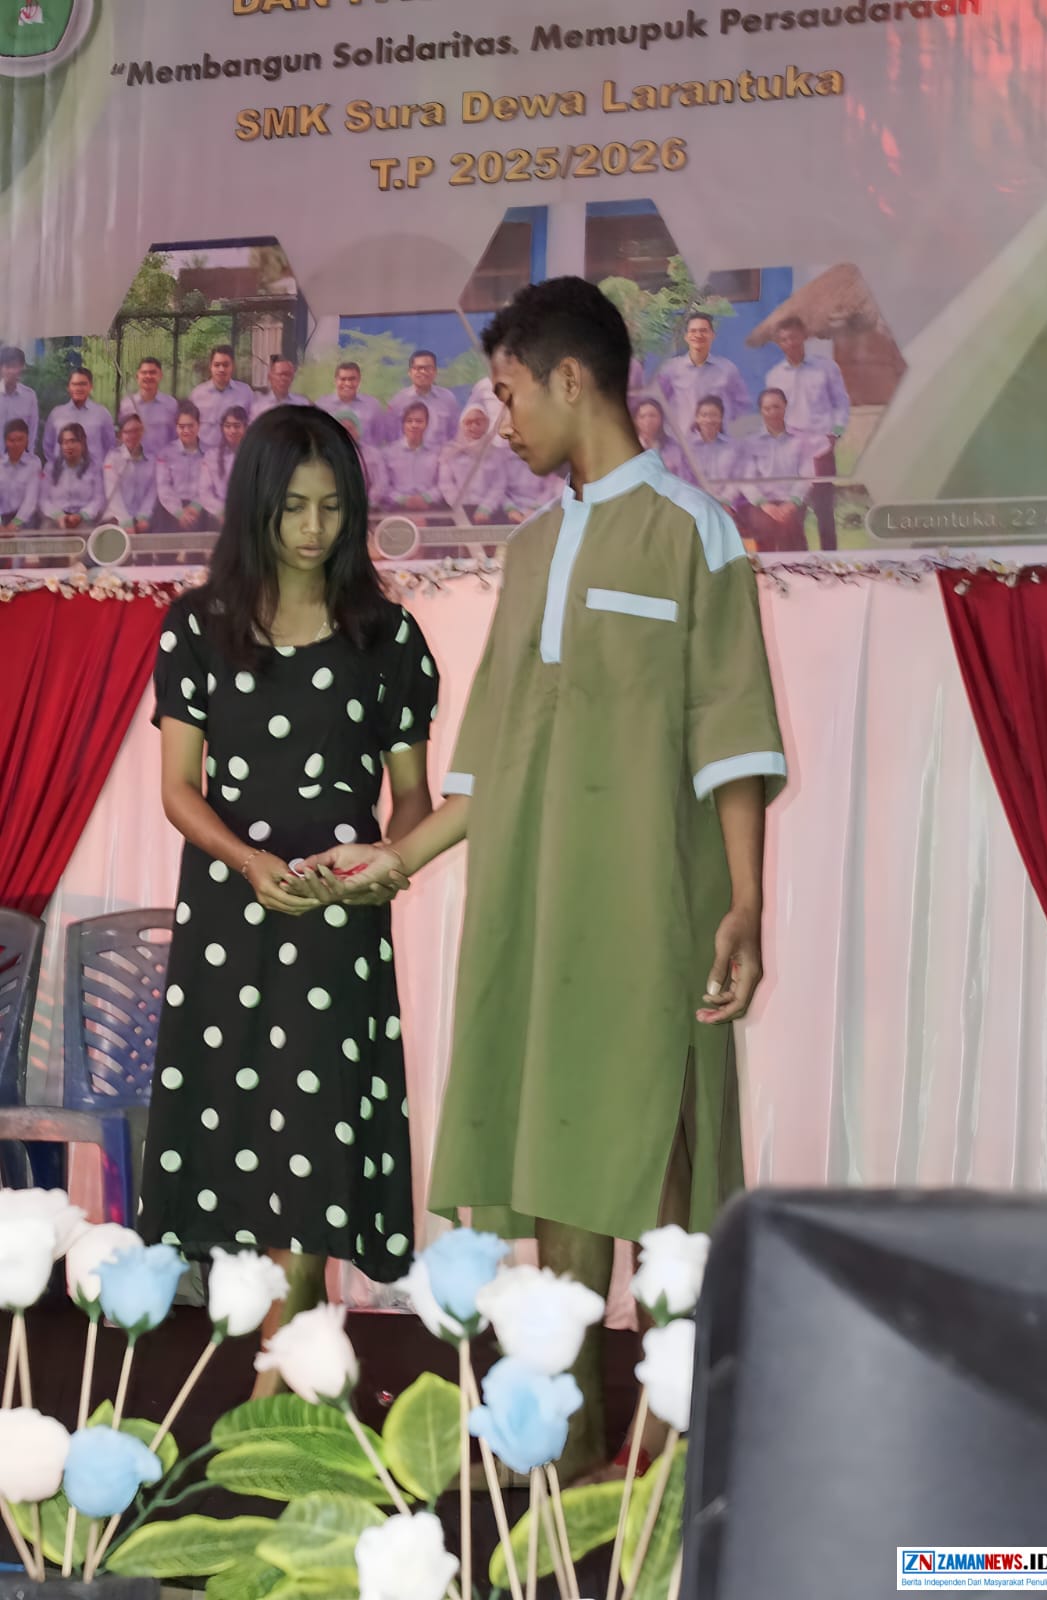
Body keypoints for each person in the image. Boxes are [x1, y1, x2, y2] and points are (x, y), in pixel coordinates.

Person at [306, 277, 785, 1479]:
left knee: (666, 1175)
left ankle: (674, 1451)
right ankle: (562, 1450)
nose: (499, 417)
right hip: (538, 915)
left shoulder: (694, 532)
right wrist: (391, 862)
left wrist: (744, 903)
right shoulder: (526, 553)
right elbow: (490, 766)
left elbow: (731, 734)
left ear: (572, 379)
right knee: (562, 1162)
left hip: (657, 912)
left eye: (510, 392)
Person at [140, 404, 439, 1377]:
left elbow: (411, 797)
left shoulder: (387, 636)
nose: (314, 528)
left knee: (314, 1128)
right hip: (232, 914)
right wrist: (248, 861)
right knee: (241, 1129)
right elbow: (179, 789)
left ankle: (287, 1363)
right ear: (257, 508)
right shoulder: (198, 628)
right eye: (295, 508)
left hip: (337, 923)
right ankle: (287, 1360)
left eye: (333, 507)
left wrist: (385, 861)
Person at [765, 315, 849, 551]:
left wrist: (835, 434)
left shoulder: (826, 368)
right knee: (795, 512)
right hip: (792, 451)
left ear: (804, 336)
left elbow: (841, 403)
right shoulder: (774, 376)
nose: (789, 343)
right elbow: (772, 413)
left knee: (824, 511)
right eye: (784, 339)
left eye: (793, 337)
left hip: (821, 448)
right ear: (779, 343)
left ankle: (831, 562)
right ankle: (799, 563)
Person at [735, 387, 816, 552]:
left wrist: (792, 503)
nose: (772, 412)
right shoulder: (750, 443)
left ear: (785, 406)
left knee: (789, 525)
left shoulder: (801, 440)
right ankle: (765, 566)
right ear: (761, 411)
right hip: (761, 504)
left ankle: (798, 566)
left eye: (776, 407)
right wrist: (764, 504)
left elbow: (807, 475)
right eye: (767, 408)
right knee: (764, 527)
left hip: (792, 501)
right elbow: (745, 479)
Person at [656, 311, 751, 435]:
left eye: (703, 331)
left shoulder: (727, 369)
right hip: (682, 440)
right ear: (686, 336)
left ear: (712, 335)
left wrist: (725, 423)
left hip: (717, 440)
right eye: (693, 331)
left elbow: (742, 403)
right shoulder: (671, 369)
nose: (698, 335)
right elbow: (658, 403)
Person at [439, 404, 509, 524]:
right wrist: (459, 508)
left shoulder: (495, 453)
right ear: (461, 425)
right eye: (469, 422)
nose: (474, 426)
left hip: (488, 511)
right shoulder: (450, 451)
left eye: (478, 422)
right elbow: (445, 483)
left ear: (486, 425)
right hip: (456, 509)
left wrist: (486, 508)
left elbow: (499, 484)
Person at [43, 367, 115, 466]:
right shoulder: (56, 414)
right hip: (62, 473)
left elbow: (110, 447)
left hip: (93, 473)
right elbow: (48, 446)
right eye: (74, 384)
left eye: (83, 384)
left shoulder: (102, 414)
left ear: (91, 386)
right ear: (68, 387)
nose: (78, 388)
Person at [386, 351, 458, 448]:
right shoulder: (398, 401)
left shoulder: (447, 398)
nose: (423, 372)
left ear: (435, 371)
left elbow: (454, 433)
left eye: (428, 368)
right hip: (407, 456)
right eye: (419, 368)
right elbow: (391, 436)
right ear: (410, 372)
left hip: (441, 455)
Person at [190, 345, 254, 452]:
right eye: (217, 365)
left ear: (232, 366)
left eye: (225, 365)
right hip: (203, 454)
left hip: (234, 455)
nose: (221, 369)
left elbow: (253, 425)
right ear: (210, 366)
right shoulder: (197, 394)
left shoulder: (245, 392)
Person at [40, 422, 104, 529]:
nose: (68, 446)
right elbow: (43, 500)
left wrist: (81, 516)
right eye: (65, 442)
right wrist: (59, 516)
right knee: (46, 528)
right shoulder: (50, 468)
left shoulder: (93, 468)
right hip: (56, 518)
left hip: (83, 518)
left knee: (87, 530)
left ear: (82, 443)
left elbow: (98, 499)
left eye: (73, 441)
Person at [379, 402, 442, 511]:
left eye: (419, 421)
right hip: (396, 508)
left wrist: (425, 498)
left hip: (430, 507)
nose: (414, 425)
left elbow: (443, 484)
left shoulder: (438, 452)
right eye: (409, 421)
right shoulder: (387, 453)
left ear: (427, 424)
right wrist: (403, 500)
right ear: (403, 424)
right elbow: (383, 486)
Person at [156, 401, 207, 532]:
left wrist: (196, 506)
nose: (186, 431)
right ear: (176, 427)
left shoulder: (209, 454)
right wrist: (179, 512)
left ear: (199, 425)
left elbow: (210, 485)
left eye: (191, 426)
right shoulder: (165, 453)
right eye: (182, 426)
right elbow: (163, 487)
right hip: (171, 510)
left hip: (200, 508)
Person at [104, 412, 157, 534]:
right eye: (127, 432)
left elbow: (152, 492)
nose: (133, 435)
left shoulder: (152, 459)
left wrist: (144, 516)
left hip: (144, 518)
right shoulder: (112, 458)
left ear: (142, 432)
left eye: (136, 431)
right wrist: (125, 521)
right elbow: (112, 493)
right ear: (121, 435)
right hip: (117, 517)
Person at [118, 358, 179, 457]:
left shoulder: (171, 404)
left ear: (160, 376)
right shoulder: (127, 404)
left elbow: (176, 437)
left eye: (152, 372)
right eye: (144, 373)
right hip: (135, 461)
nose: (148, 376)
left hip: (162, 461)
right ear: (137, 376)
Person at [687, 394, 742, 503]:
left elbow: (736, 480)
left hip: (724, 503)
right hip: (693, 503)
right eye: (704, 415)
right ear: (697, 418)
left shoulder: (732, 447)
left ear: (721, 418)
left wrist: (724, 501)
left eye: (714, 415)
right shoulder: (686, 447)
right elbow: (683, 480)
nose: (709, 420)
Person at [317, 360, 386, 445]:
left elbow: (379, 437)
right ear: (336, 380)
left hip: (364, 453)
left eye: (352, 379)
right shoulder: (321, 405)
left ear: (359, 380)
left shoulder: (372, 405)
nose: (348, 383)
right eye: (343, 379)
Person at [199, 405, 248, 523]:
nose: (232, 431)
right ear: (222, 428)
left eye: (237, 426)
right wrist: (222, 512)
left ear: (245, 427)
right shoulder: (211, 457)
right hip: (219, 517)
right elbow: (204, 492)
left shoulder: (256, 456)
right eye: (228, 426)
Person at [631, 395, 691, 481]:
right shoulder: (629, 445)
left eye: (652, 415)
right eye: (642, 416)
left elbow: (684, 477)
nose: (648, 420)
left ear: (661, 418)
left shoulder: (673, 447)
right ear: (636, 421)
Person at [0, 418, 41, 530]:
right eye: (11, 440)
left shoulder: (34, 464)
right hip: (2, 518)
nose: (16, 444)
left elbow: (30, 501)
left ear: (27, 440)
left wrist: (15, 524)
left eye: (20, 440)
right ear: (5, 441)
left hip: (26, 519)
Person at [339, 416, 385, 507]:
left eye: (350, 428)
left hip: (369, 507)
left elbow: (381, 482)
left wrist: (367, 502)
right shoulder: (328, 456)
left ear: (358, 430)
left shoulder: (373, 454)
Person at [0, 347, 39, 451]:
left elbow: (32, 431)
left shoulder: (29, 396)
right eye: (8, 366)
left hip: (20, 458)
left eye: (15, 366)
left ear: (21, 368)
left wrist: (28, 456)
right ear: (1, 368)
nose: (11, 371)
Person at [251, 355, 312, 419]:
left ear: (292, 378)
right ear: (270, 377)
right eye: (280, 374)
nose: (284, 378)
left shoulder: (302, 404)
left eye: (287, 374)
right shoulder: (258, 407)